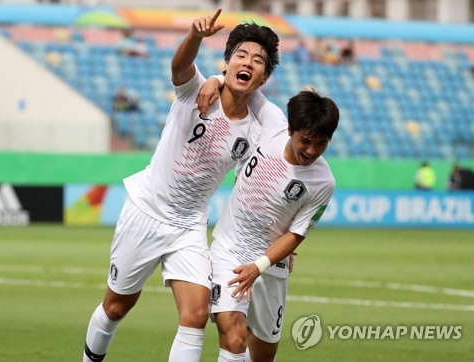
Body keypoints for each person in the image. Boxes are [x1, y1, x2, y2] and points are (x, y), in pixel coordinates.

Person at [82, 9, 280, 362]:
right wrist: (194, 36)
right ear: (227, 62)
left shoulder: (255, 130)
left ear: (263, 78)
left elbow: (260, 186)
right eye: (241, 55)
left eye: (258, 60)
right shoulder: (196, 90)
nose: (248, 62)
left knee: (196, 315)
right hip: (146, 210)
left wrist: (282, 237)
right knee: (116, 306)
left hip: (188, 226)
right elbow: (179, 67)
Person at [206, 88, 339, 361]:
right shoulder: (273, 122)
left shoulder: (323, 183)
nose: (311, 151)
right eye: (306, 140)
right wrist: (217, 79)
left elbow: (296, 235)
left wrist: (260, 266)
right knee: (233, 337)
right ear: (290, 129)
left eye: (322, 143)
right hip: (229, 250)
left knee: (263, 355)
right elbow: (242, 86)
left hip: (270, 264)